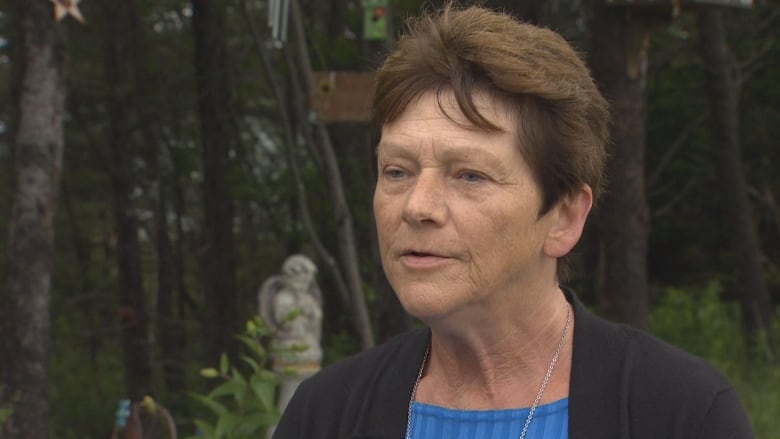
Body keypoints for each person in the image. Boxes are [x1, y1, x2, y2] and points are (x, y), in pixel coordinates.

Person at [272, 4, 754, 439]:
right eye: (397, 171)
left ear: (564, 218)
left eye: (470, 176)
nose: (417, 206)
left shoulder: (680, 414)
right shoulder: (325, 414)